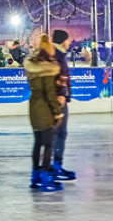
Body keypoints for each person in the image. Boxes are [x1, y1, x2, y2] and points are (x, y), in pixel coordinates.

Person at [24, 35, 63, 192]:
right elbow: (50, 94)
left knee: (38, 143)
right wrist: (57, 112)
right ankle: (46, 179)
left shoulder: (32, 68)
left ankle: (35, 176)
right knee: (48, 144)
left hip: (34, 108)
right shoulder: (47, 70)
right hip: (45, 110)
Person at [50, 30, 76, 182]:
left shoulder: (56, 54)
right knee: (58, 133)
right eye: (67, 40)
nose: (69, 43)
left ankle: (54, 166)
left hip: (58, 99)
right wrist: (60, 95)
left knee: (58, 133)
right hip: (57, 101)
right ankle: (54, 167)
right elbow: (59, 77)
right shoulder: (56, 55)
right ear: (62, 41)